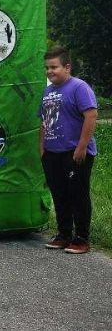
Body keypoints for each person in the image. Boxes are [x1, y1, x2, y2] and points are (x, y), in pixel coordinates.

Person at [40, 46, 98, 254]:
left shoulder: (79, 87)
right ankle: (64, 235)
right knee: (59, 194)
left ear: (67, 67)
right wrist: (42, 150)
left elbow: (91, 115)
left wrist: (82, 147)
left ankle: (81, 238)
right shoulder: (48, 92)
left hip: (75, 152)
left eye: (54, 67)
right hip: (52, 153)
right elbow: (44, 122)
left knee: (78, 195)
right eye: (47, 68)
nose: (49, 71)